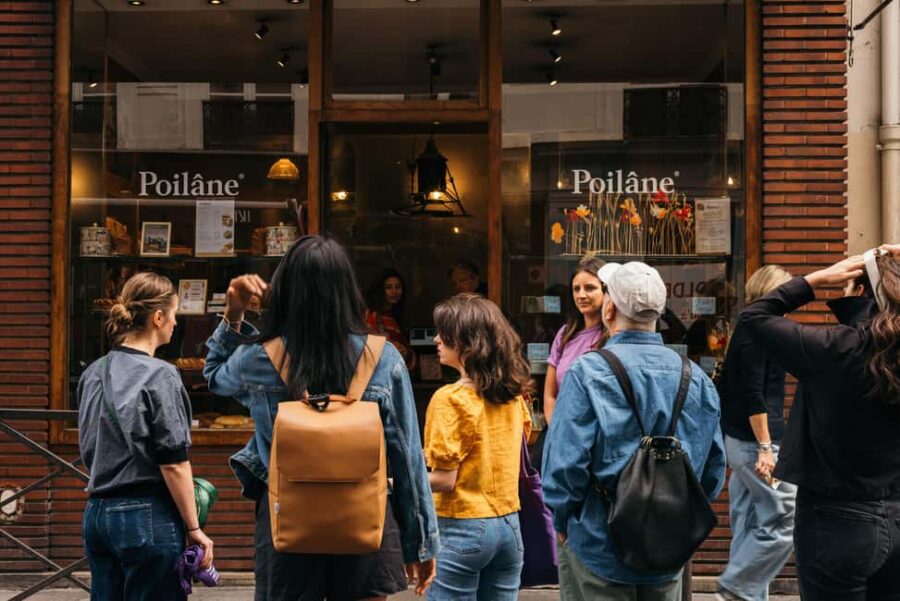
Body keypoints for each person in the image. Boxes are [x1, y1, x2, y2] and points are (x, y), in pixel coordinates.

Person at [203, 236, 439, 600]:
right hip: (366, 522)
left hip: (286, 525)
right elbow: (407, 459)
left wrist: (233, 315)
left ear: (285, 290)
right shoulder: (383, 358)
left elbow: (214, 376)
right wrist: (420, 542)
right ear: (347, 290)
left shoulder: (260, 358)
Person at [542, 261, 726, 601]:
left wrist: (562, 520)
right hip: (667, 547)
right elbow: (712, 471)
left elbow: (564, 466)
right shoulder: (696, 378)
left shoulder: (588, 372)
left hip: (597, 542)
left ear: (609, 309)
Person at [738, 246, 900, 600]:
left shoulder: (834, 347)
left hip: (836, 518)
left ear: (859, 290)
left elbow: (753, 315)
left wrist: (813, 281)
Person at [78, 272, 214, 601]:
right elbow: (173, 462)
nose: (176, 323)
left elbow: (88, 448)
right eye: (174, 314)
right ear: (158, 317)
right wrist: (194, 528)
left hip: (97, 513)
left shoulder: (93, 372)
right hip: (146, 515)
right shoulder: (161, 375)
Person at [423, 293, 533, 600]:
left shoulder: (450, 398)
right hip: (509, 525)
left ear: (467, 343)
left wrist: (395, 481)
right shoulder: (512, 396)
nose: (436, 340)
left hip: (461, 525)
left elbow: (445, 480)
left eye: (444, 333)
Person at [717, 265, 796, 601]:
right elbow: (754, 394)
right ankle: (737, 587)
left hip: (742, 443)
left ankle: (745, 594)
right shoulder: (758, 332)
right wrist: (765, 447)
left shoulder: (747, 327)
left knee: (749, 522)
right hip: (756, 445)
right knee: (787, 513)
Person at [544, 256, 611, 425]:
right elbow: (550, 395)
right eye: (576, 289)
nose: (581, 295)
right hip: (562, 429)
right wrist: (556, 430)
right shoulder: (565, 334)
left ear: (606, 291)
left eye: (590, 288)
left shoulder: (613, 336)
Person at [365, 268, 416, 370]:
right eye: (388, 287)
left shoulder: (396, 317)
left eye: (398, 287)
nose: (394, 291)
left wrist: (405, 352)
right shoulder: (371, 315)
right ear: (380, 290)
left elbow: (406, 350)